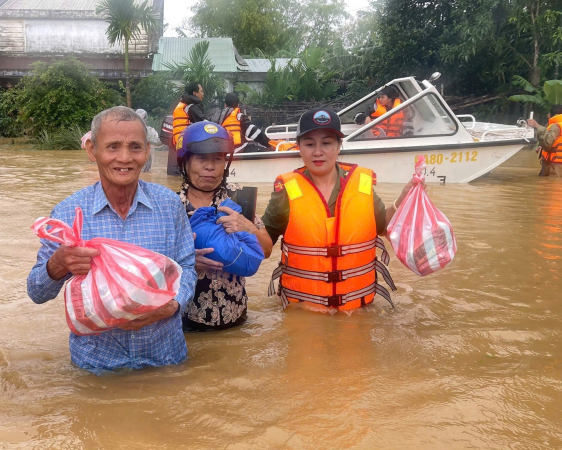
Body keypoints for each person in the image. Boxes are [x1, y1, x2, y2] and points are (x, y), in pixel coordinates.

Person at [27, 106, 197, 374]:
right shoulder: (68, 213)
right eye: (113, 147)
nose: (125, 158)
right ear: (92, 150)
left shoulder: (169, 205)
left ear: (147, 152)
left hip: (164, 362)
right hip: (98, 368)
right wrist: (58, 264)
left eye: (135, 147)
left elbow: (187, 268)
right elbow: (36, 292)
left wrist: (172, 306)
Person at [257, 107, 420, 312]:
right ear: (298, 147)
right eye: (309, 144)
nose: (318, 152)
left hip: (358, 311)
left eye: (326, 143)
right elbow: (263, 246)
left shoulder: (361, 183)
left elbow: (384, 227)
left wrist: (403, 199)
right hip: (304, 312)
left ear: (339, 146)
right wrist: (245, 225)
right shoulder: (286, 191)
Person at [176, 121, 272, 331]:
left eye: (218, 159)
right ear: (186, 163)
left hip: (235, 321)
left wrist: (248, 227)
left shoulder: (240, 200)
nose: (210, 166)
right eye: (201, 159)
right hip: (185, 324)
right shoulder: (170, 206)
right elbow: (152, 265)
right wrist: (188, 261)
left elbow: (266, 251)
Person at [527, 105, 562, 177]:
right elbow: (559, 144)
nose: (547, 115)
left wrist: (537, 126)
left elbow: (548, 143)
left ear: (551, 114)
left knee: (551, 186)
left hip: (553, 167)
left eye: (549, 113)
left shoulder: (556, 126)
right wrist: (541, 148)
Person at [172, 82, 206, 147]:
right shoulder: (193, 106)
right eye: (201, 91)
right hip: (187, 142)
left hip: (178, 142)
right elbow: (202, 122)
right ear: (195, 93)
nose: (203, 94)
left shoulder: (182, 104)